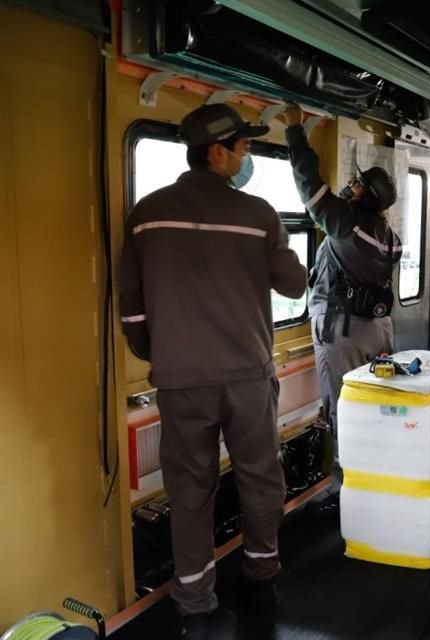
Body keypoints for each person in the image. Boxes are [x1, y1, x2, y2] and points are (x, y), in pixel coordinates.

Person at [119, 103, 307, 638]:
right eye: (245, 148)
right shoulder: (258, 214)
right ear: (218, 152)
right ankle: (261, 571)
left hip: (180, 379)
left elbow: (131, 305)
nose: (246, 157)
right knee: (259, 475)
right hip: (246, 374)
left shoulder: (147, 214)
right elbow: (293, 285)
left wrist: (160, 353)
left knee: (189, 486)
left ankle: (194, 596)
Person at [283, 104, 402, 505]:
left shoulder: (348, 224)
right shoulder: (388, 235)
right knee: (376, 403)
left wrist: (296, 133)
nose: (347, 186)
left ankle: (347, 490)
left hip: (342, 332)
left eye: (354, 184)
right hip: (378, 329)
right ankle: (380, 475)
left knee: (343, 410)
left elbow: (310, 189)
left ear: (364, 196)